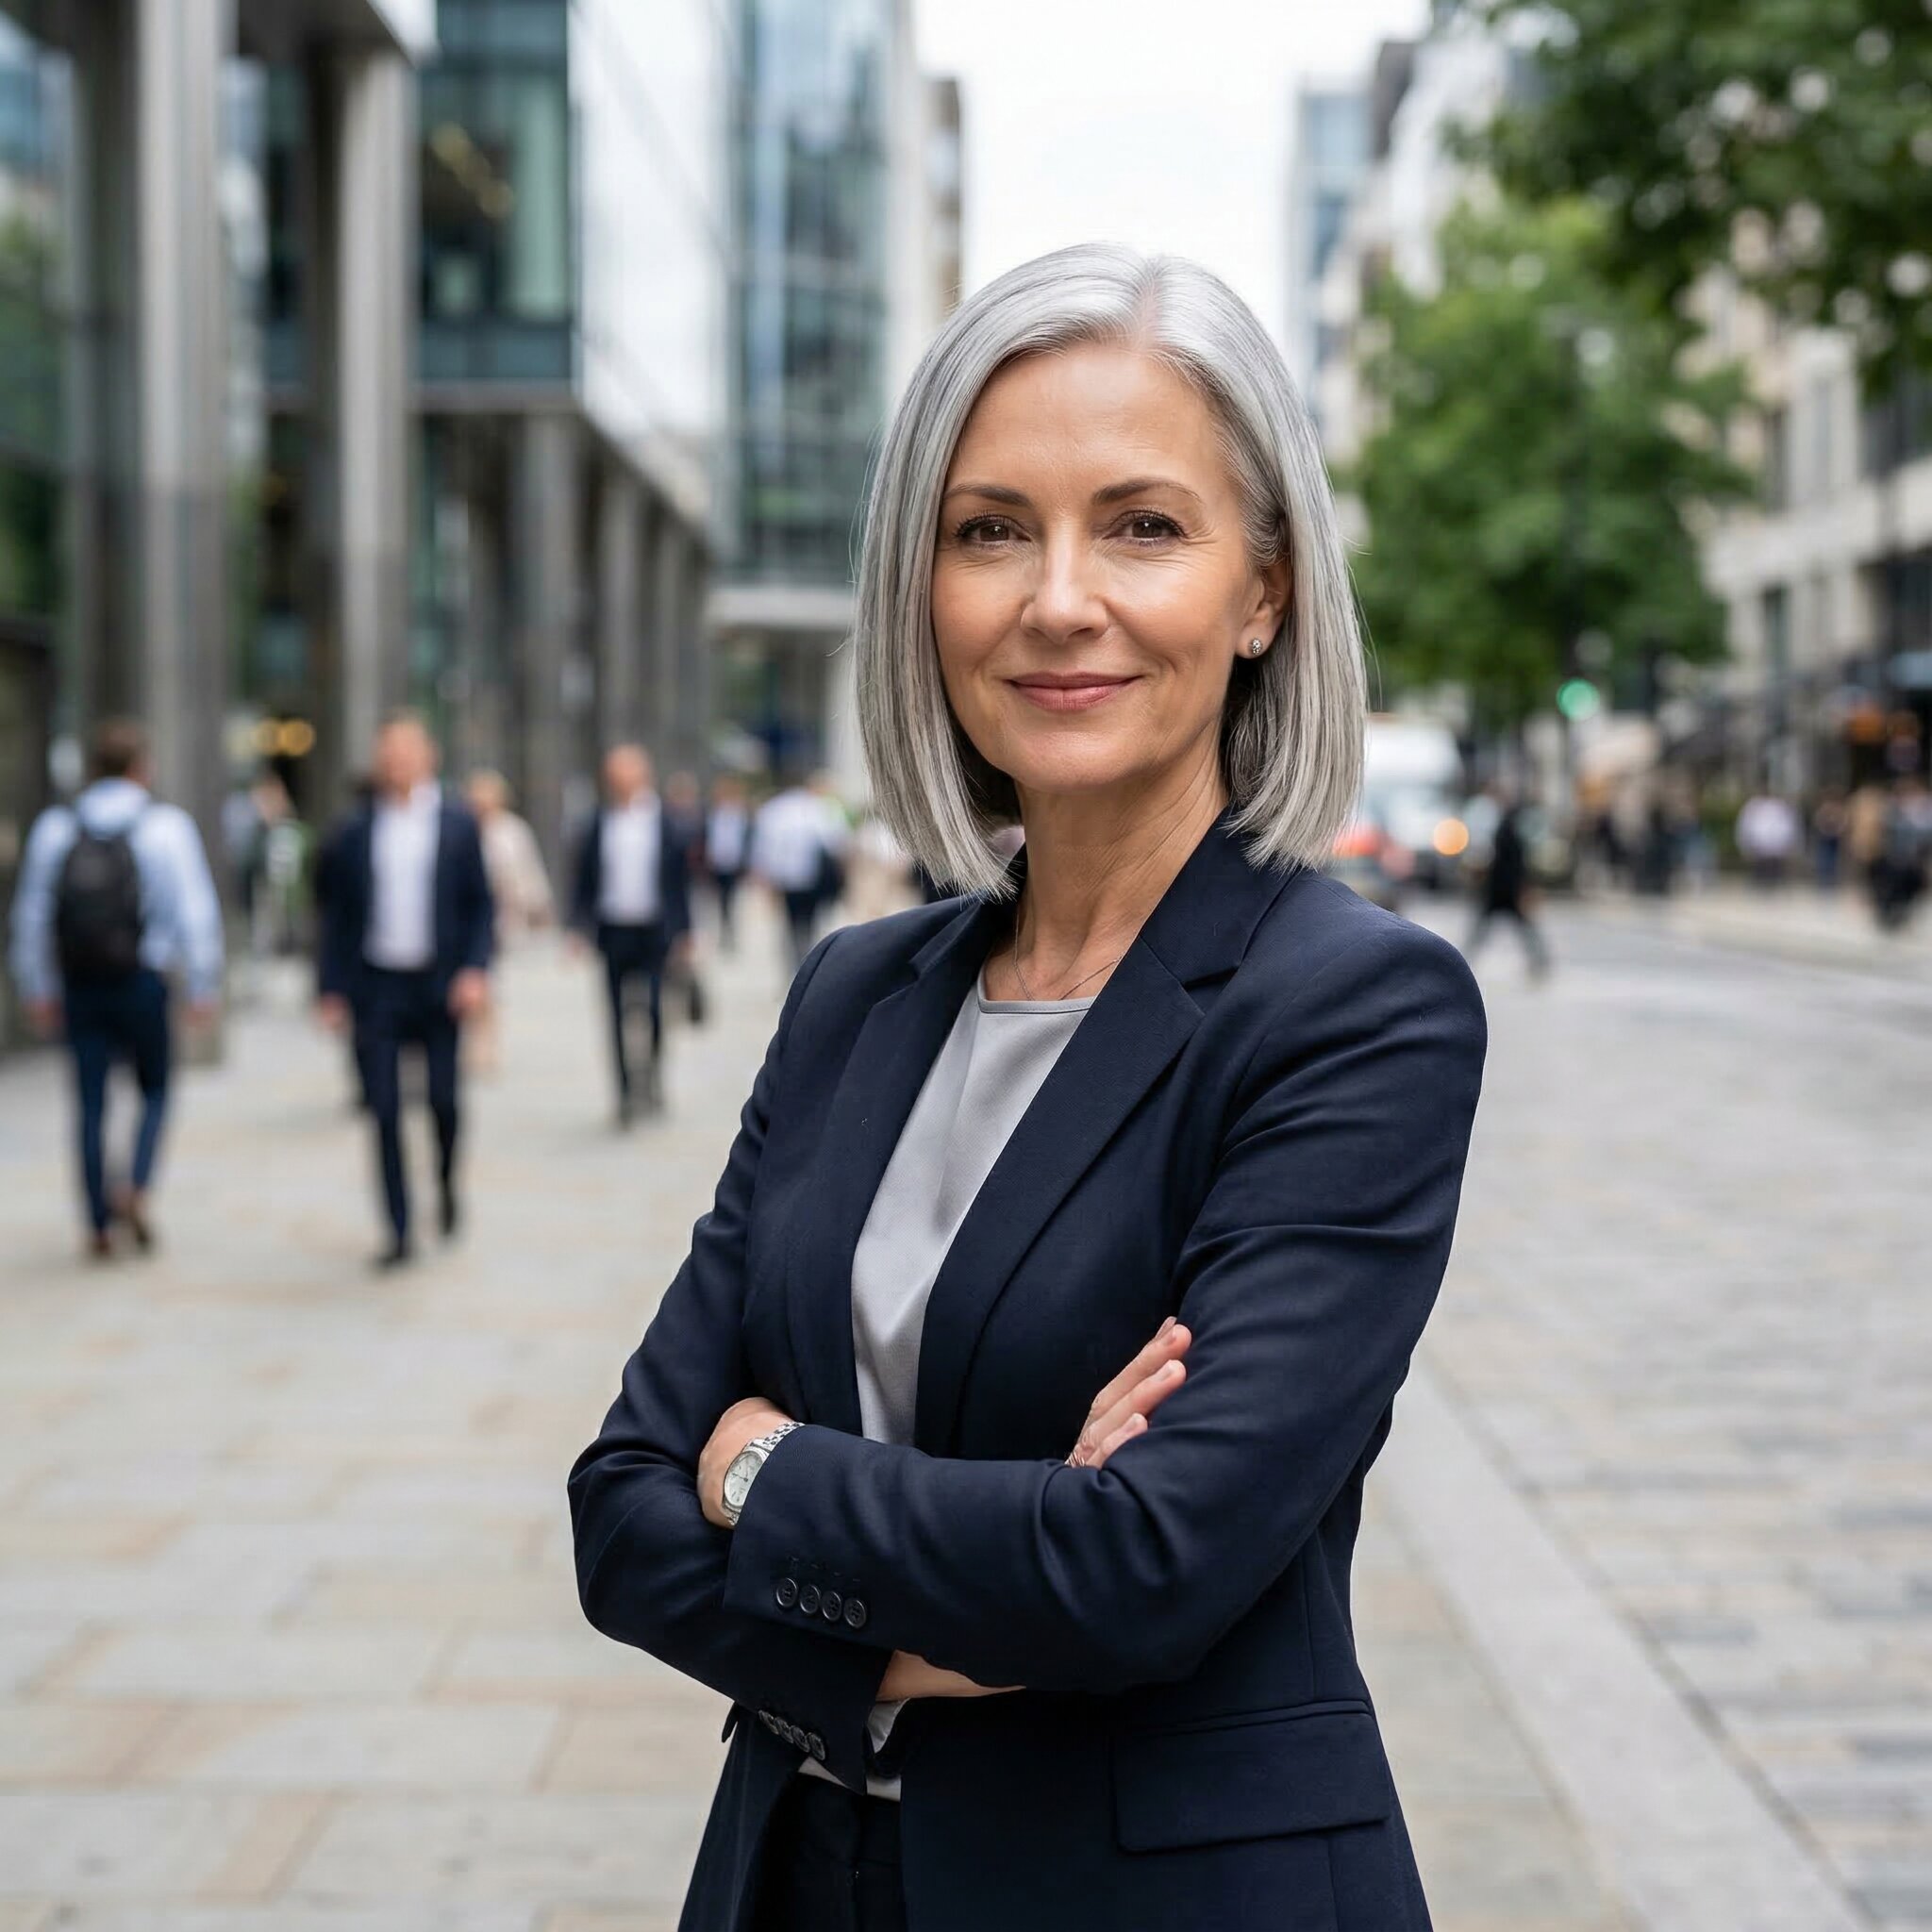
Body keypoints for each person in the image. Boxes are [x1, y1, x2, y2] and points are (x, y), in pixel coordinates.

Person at [568, 244, 1487, 1932]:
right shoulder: (856, 992)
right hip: (794, 1878)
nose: (1056, 597)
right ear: (921, 584)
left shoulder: (1352, 1008)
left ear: (1262, 587)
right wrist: (971, 1593)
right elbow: (619, 1511)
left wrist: (764, 1473)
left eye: (1141, 525)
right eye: (989, 528)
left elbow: (1142, 1570)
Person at [8, 718, 224, 1257]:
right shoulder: (166, 827)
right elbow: (195, 911)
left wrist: (37, 986)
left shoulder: (57, 828)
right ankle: (138, 1183)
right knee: (154, 1089)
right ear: (142, 768)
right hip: (143, 981)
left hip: (81, 984)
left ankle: (98, 1222)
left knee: (89, 1103)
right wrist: (203, 983)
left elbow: (32, 914)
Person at [314, 713, 493, 1270]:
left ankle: (444, 1181)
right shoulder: (354, 828)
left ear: (428, 757)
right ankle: (397, 1227)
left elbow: (478, 907)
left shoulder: (458, 824)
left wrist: (474, 970)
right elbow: (336, 916)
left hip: (440, 986)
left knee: (443, 1101)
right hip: (378, 987)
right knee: (384, 1109)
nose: (396, 764)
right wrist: (331, 989)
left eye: (405, 753)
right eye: (386, 755)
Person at [569, 744, 694, 1124]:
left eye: (627, 773)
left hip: (655, 931)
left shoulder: (665, 822)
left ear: (643, 775)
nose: (620, 781)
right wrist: (576, 927)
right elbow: (584, 881)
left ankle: (651, 1075)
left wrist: (686, 932)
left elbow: (680, 882)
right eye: (614, 774)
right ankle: (623, 1090)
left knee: (655, 1008)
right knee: (614, 1013)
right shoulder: (598, 822)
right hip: (612, 929)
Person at [751, 773, 839, 973]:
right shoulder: (817, 808)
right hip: (811, 877)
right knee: (808, 920)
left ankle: (795, 961)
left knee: (791, 921)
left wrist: (765, 876)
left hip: (786, 878)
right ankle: (806, 957)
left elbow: (764, 848)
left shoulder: (774, 809)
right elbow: (834, 842)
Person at [1466, 789, 1552, 976]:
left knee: (1486, 929)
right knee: (1518, 928)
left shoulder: (1505, 831)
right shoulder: (1510, 831)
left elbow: (1509, 865)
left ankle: (1462, 960)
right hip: (1504, 891)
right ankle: (1540, 961)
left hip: (1502, 891)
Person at [706, 774, 752, 950]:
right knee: (721, 899)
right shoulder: (714, 815)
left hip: (734, 863)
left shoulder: (740, 815)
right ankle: (725, 927)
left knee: (730, 897)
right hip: (718, 863)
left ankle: (730, 928)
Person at [1736, 787, 1799, 889]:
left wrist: (1788, 844)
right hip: (1759, 847)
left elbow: (1788, 826)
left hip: (1776, 849)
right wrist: (1745, 844)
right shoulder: (1753, 805)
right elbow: (1745, 826)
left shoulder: (1781, 805)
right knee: (1760, 878)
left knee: (1776, 878)